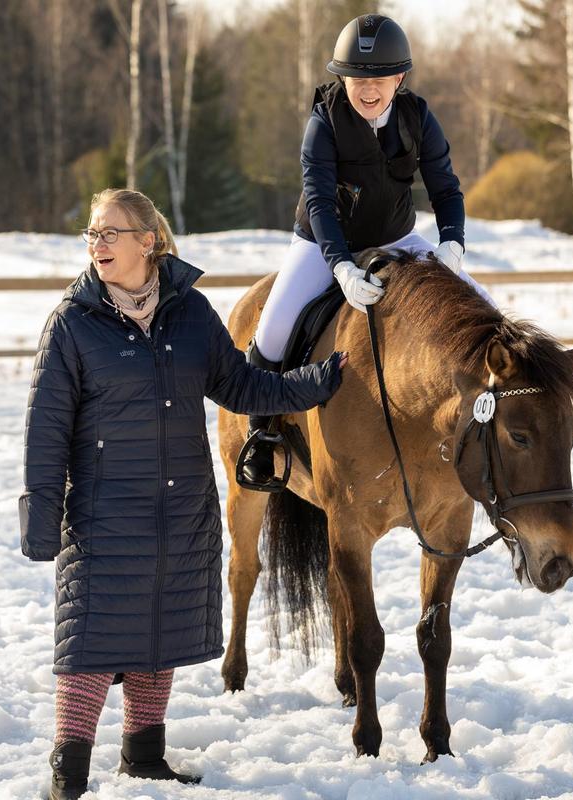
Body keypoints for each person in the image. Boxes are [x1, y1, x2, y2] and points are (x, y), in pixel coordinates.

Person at [18, 188, 348, 799]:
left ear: (148, 241)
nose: (96, 244)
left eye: (109, 233)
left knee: (160, 627)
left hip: (181, 506)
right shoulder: (72, 322)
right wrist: (41, 515)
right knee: (92, 637)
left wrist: (316, 382)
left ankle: (144, 755)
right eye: (92, 233)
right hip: (103, 510)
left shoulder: (190, 313)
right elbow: (46, 429)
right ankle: (69, 771)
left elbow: (241, 385)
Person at [239, 13, 496, 489]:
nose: (368, 89)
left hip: (397, 237)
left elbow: (445, 186)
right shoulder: (324, 122)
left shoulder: (418, 117)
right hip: (322, 241)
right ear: (344, 79)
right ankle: (262, 433)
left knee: (486, 308)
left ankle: (491, 423)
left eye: (380, 78)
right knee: (273, 330)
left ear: (399, 78)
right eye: (357, 78)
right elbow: (320, 202)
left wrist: (452, 243)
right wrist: (341, 267)